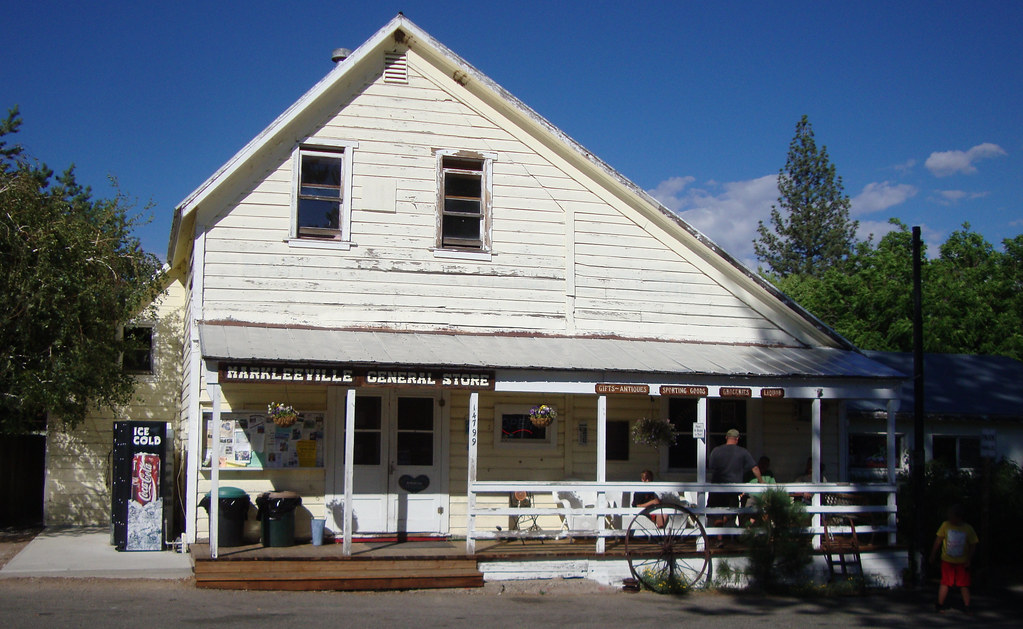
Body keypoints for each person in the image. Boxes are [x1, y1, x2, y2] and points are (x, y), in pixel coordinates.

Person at [708, 428, 762, 547]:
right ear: (737, 439)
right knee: (731, 512)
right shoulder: (743, 452)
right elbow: (755, 468)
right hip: (732, 489)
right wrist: (761, 481)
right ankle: (721, 531)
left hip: (717, 487)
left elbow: (711, 466)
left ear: (726, 437)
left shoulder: (716, 451)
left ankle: (719, 538)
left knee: (717, 513)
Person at [929, 504, 978, 614]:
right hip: (947, 561)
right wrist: (933, 554)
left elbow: (973, 544)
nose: (950, 519)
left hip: (962, 561)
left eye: (952, 517)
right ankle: (940, 604)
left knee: (964, 585)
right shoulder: (945, 525)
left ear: (959, 517)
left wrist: (969, 559)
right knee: (945, 582)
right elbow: (938, 540)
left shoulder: (968, 529)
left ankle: (967, 606)